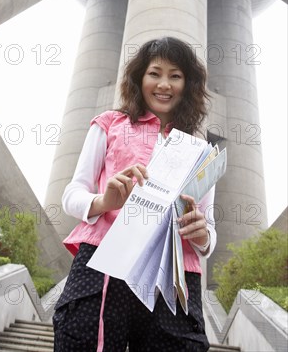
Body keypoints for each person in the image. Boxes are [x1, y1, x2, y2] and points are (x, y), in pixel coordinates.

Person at [53, 37, 216, 352]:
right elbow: (73, 193)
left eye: (175, 75)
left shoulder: (201, 151)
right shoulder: (110, 124)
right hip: (104, 262)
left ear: (188, 84)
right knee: (86, 341)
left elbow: (208, 229)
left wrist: (202, 235)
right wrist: (104, 202)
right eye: (155, 73)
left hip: (173, 275)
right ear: (140, 78)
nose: (163, 84)